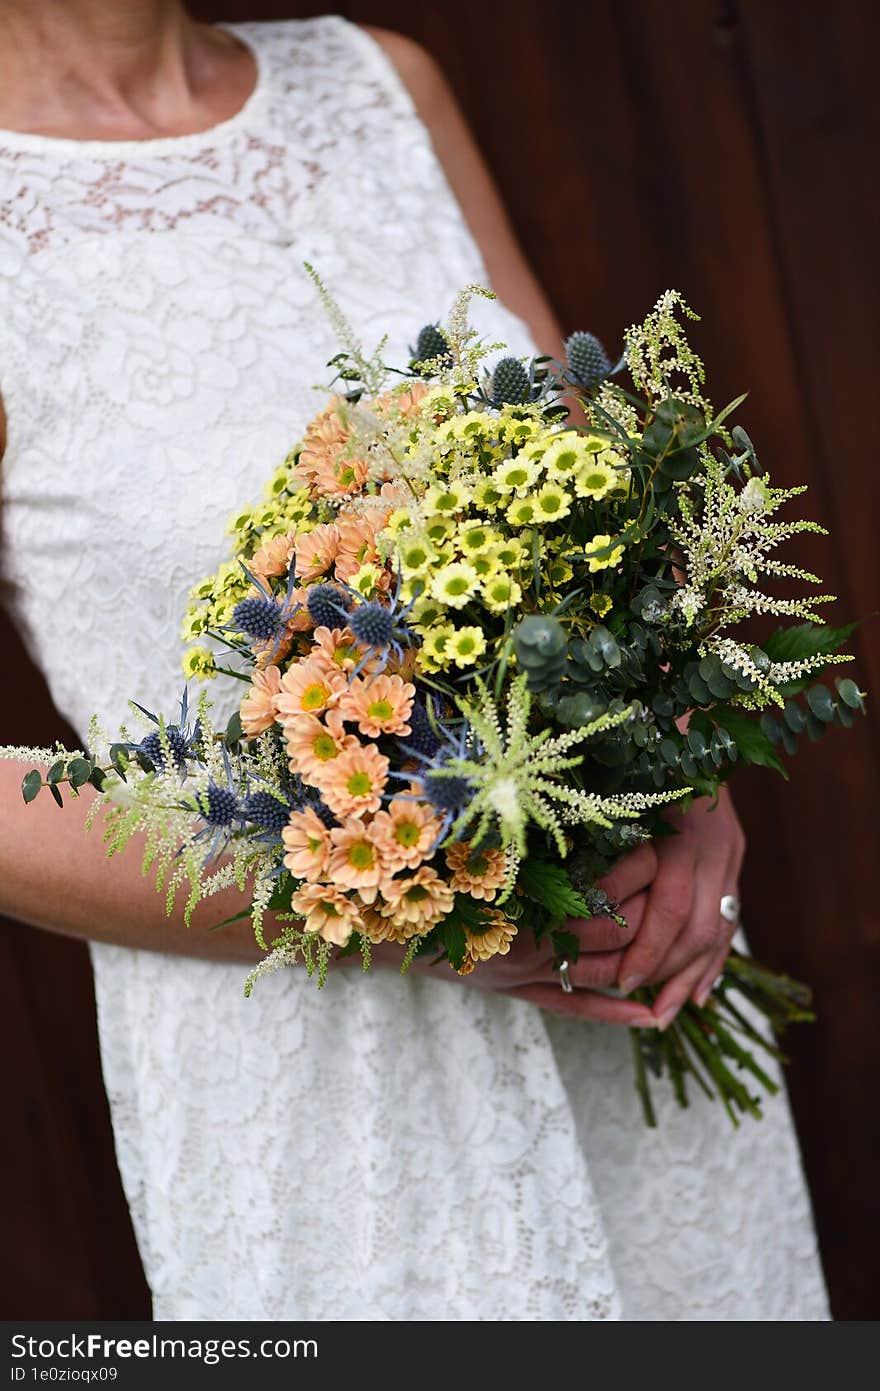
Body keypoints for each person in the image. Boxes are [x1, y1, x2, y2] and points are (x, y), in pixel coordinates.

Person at [0, 2, 828, 1319]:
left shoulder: (381, 84)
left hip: (626, 980)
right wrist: (393, 881)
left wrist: (694, 770)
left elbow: (599, 489)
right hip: (326, 1090)